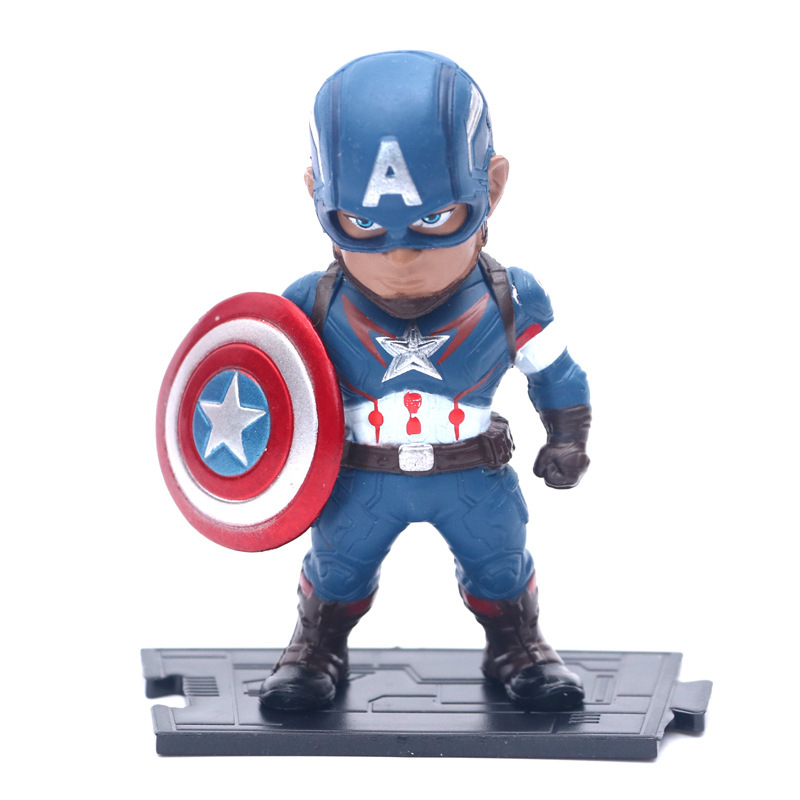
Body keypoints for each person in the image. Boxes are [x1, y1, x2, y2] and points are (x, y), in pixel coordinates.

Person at [259, 51, 591, 712]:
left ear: (491, 187)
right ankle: (316, 646)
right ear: (318, 197)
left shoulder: (510, 298)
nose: (400, 254)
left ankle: (518, 646)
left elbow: (558, 373)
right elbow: (266, 391)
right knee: (337, 568)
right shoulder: (311, 305)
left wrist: (567, 438)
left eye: (435, 220)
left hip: (472, 474)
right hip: (360, 478)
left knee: (500, 560)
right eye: (363, 225)